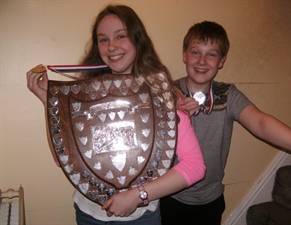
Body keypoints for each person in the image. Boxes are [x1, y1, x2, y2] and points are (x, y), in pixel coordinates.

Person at [26, 4, 206, 225]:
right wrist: (50, 102)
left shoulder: (163, 95)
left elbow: (194, 166)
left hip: (141, 217)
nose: (111, 46)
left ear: (137, 40)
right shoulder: (83, 94)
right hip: (88, 214)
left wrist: (138, 195)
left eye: (121, 36)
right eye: (103, 39)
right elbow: (63, 159)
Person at [159, 21, 291, 225]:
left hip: (210, 199)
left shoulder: (228, 95)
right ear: (184, 54)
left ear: (222, 60)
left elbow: (260, 122)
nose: (202, 61)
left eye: (211, 54)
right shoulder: (167, 93)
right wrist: (172, 114)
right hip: (169, 196)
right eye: (195, 52)